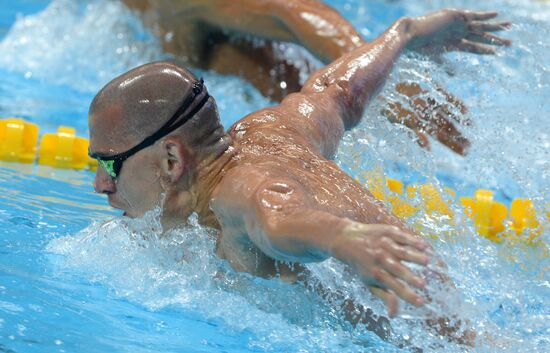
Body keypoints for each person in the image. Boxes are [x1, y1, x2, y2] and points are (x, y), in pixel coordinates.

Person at [88, 8, 509, 345]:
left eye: (110, 164)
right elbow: (339, 92)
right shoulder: (271, 130)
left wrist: (341, 239)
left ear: (171, 159)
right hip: (452, 321)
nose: (100, 185)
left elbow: (276, 216)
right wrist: (403, 35)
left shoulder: (234, 192)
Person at [121, 0, 506, 154]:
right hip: (181, 34)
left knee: (279, 77)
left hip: (176, 36)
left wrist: (372, 77)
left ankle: (372, 90)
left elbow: (288, 12)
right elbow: (287, 12)